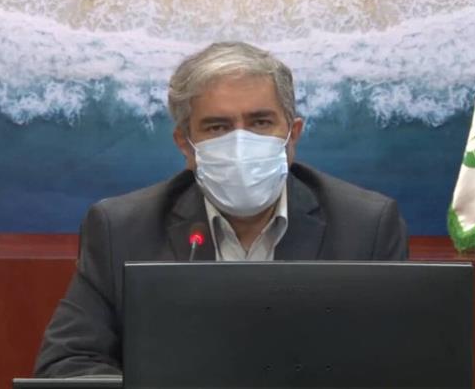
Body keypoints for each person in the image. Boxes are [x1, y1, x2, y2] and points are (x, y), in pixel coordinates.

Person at [34, 41, 408, 377]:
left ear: (292, 135)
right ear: (186, 145)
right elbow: (68, 364)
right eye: (217, 128)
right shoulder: (121, 229)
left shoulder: (366, 226)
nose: (240, 142)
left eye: (260, 122)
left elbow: (400, 364)